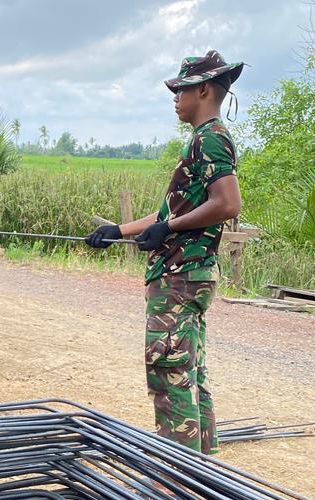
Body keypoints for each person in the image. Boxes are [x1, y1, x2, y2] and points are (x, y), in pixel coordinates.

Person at [84, 51, 244, 454]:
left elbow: (227, 203)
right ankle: (204, 467)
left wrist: (168, 229)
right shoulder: (204, 139)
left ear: (204, 90)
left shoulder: (209, 139)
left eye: (181, 89)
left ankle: (173, 476)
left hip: (180, 278)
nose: (175, 97)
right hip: (190, 274)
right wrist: (117, 230)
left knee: (169, 373)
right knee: (189, 372)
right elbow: (167, 214)